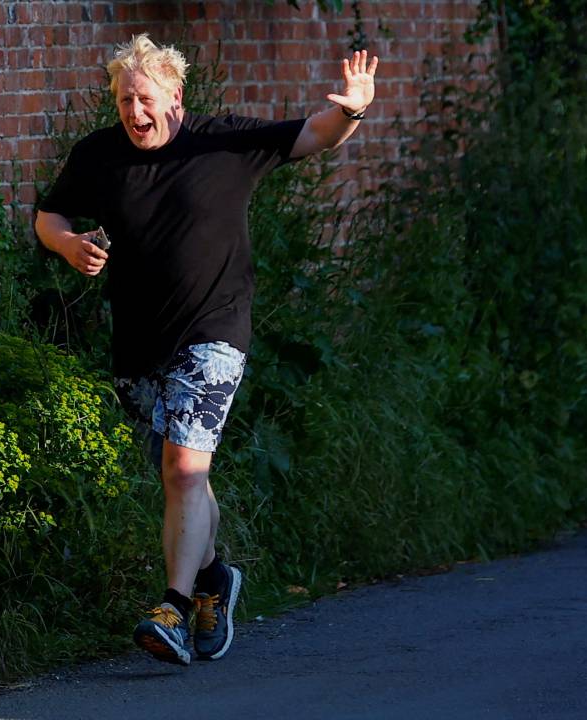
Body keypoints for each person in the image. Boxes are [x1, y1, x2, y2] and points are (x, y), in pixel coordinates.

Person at [34, 33, 378, 666]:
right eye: (123, 100)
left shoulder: (224, 141)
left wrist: (352, 109)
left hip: (216, 331)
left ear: (176, 96)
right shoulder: (99, 155)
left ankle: (171, 605)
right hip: (139, 342)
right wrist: (67, 244)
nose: (134, 113)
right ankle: (216, 578)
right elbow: (48, 215)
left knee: (184, 470)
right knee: (180, 478)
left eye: (144, 99)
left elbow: (315, 134)